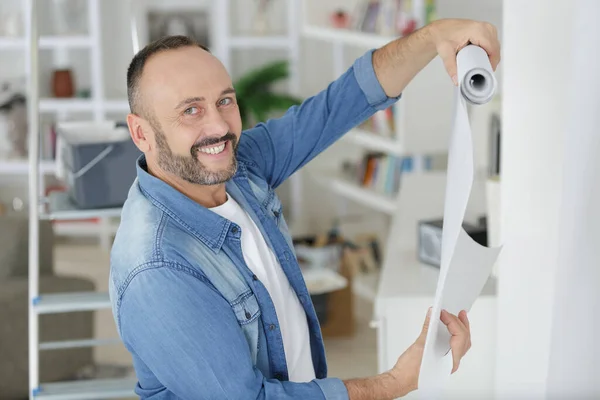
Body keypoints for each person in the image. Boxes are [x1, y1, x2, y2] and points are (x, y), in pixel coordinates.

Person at [109, 17, 500, 400]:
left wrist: (433, 37)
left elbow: (339, 105)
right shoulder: (157, 267)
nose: (220, 126)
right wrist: (397, 381)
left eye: (224, 101)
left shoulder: (235, 167)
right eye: (190, 110)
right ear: (141, 133)